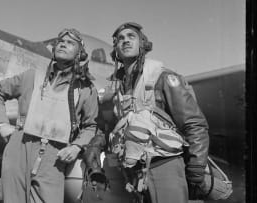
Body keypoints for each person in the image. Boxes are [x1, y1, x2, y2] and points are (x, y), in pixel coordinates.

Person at [83, 22, 210, 203]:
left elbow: (194, 123)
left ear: (143, 45)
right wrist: (96, 144)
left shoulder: (163, 78)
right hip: (131, 173)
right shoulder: (117, 89)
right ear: (116, 50)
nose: (125, 41)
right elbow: (113, 128)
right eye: (120, 39)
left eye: (131, 37)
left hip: (164, 166)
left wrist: (196, 168)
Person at [0, 28, 99, 203]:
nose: (63, 44)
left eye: (70, 43)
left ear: (80, 53)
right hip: (19, 149)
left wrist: (77, 147)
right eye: (60, 41)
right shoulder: (32, 76)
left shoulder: (86, 88)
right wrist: (1, 124)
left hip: (54, 158)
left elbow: (91, 126)